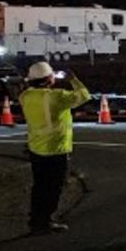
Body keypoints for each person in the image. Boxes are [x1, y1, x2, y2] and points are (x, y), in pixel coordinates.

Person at [19, 61, 91, 234]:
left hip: (36, 148)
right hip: (55, 149)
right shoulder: (56, 97)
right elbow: (84, 95)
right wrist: (74, 80)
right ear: (47, 79)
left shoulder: (25, 96)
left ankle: (35, 219)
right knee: (54, 187)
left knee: (39, 186)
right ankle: (45, 221)